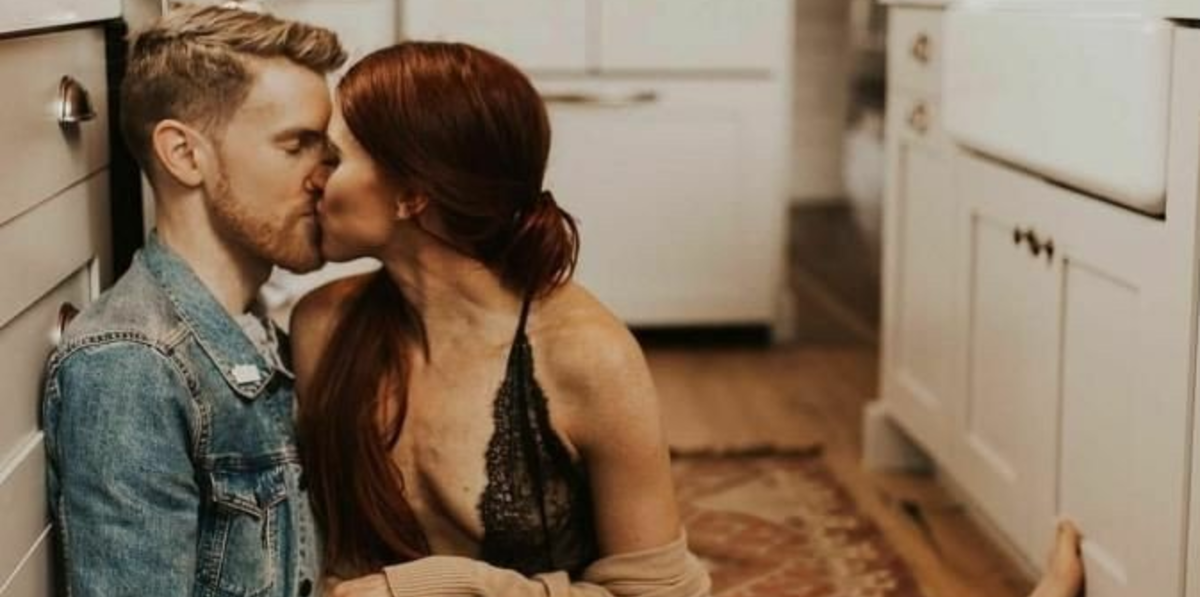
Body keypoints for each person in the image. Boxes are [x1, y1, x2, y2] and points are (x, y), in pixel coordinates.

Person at [290, 42, 1087, 597]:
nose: (314, 175)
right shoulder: (323, 325)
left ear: (413, 193)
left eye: (335, 153)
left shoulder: (585, 356)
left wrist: (450, 587)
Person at [42, 4, 345, 596]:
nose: (325, 175)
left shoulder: (256, 334)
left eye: (326, 149)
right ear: (184, 155)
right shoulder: (132, 365)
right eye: (297, 146)